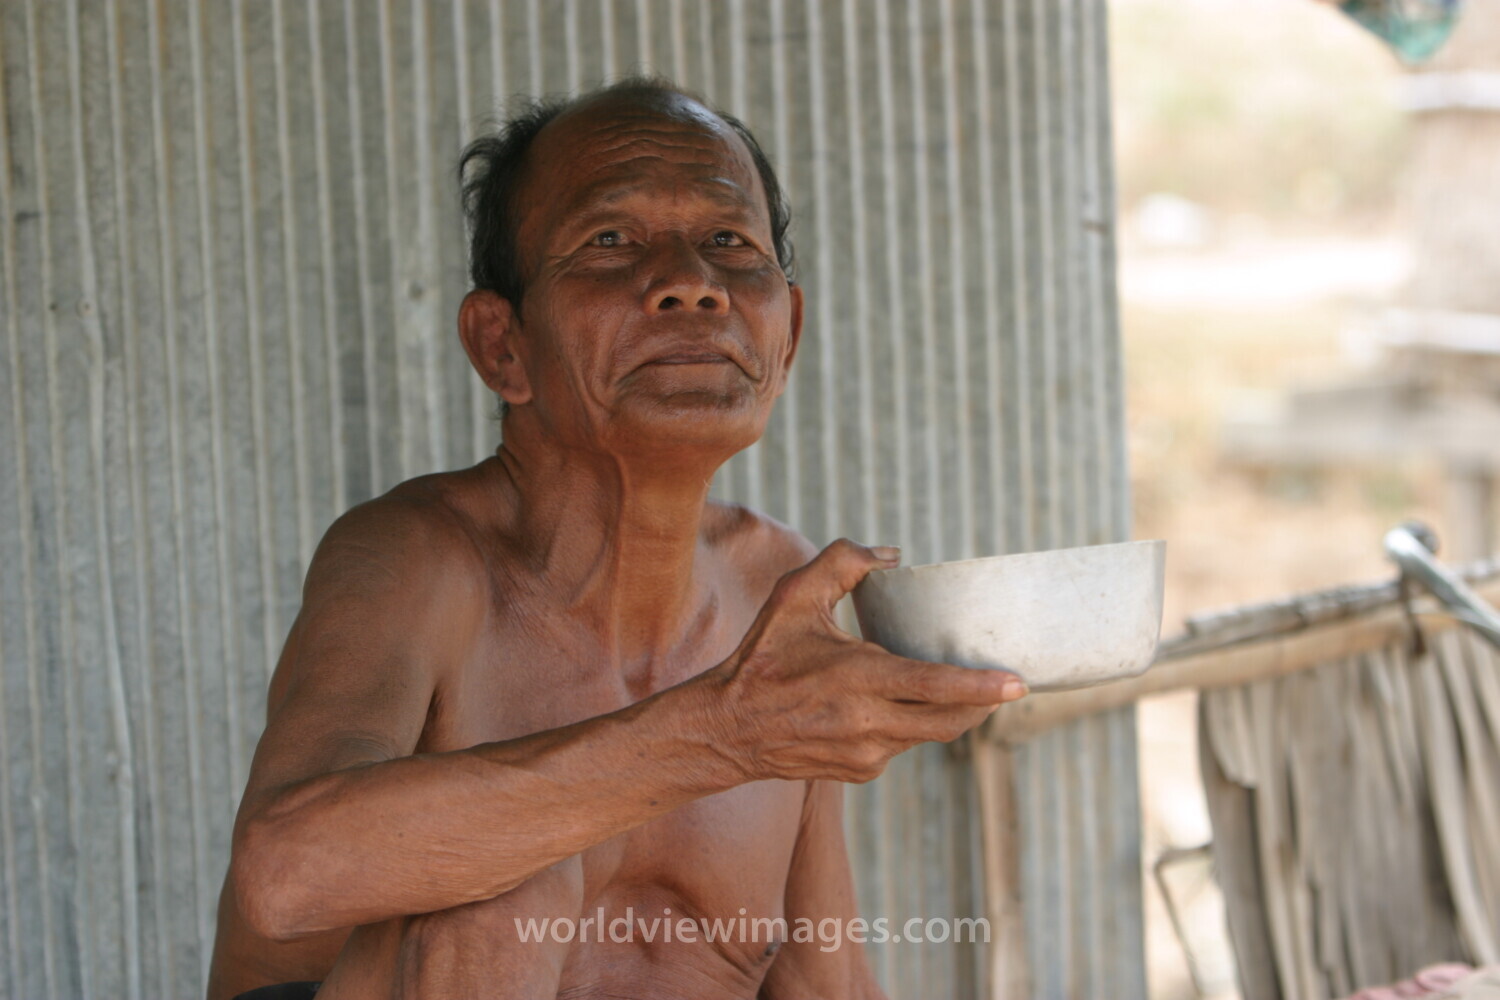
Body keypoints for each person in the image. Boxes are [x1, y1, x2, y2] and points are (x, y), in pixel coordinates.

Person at [205, 76, 1027, 1000]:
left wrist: (751, 726)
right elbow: (287, 873)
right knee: (504, 891)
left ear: (786, 334)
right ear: (502, 347)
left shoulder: (776, 590)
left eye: (728, 242)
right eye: (610, 242)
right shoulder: (419, 560)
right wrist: (723, 733)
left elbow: (820, 975)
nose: (691, 285)